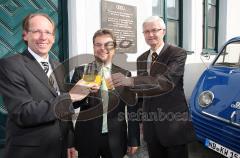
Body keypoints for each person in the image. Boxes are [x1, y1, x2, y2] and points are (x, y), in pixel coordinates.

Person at [0, 13, 98, 158]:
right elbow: (24, 113)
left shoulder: (58, 66)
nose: (43, 37)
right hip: (30, 152)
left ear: (53, 37)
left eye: (48, 32)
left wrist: (83, 93)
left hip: (59, 149)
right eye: (37, 31)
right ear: (25, 35)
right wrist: (71, 96)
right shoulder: (10, 65)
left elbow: (64, 109)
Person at [112, 16, 195, 158]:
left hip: (173, 125)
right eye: (146, 31)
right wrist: (139, 119)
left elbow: (166, 82)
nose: (150, 35)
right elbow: (142, 93)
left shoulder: (177, 53)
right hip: (151, 126)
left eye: (154, 30)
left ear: (163, 31)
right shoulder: (142, 58)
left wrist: (131, 81)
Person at [71, 29, 140, 158]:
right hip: (87, 137)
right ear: (93, 47)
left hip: (115, 138)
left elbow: (132, 110)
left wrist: (133, 139)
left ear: (114, 48)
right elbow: (71, 105)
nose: (102, 48)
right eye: (98, 44)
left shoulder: (124, 74)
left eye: (107, 45)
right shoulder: (82, 71)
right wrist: (83, 92)